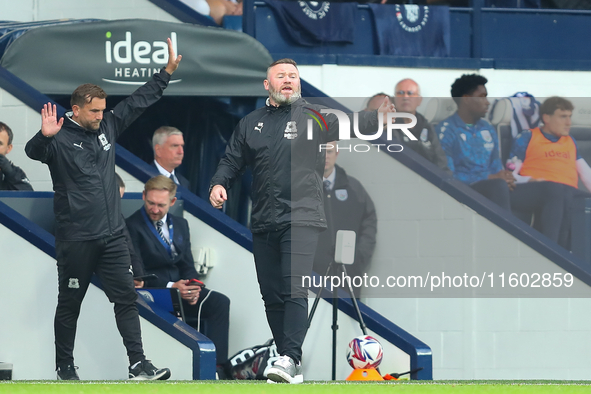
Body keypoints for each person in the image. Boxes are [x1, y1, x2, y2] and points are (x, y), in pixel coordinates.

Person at [209, 58, 393, 384]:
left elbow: (350, 123)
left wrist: (375, 118)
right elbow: (230, 160)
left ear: (299, 83)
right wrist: (219, 184)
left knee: (295, 287)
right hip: (264, 219)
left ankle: (290, 356)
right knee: (271, 294)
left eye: (293, 76)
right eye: (281, 76)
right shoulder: (250, 123)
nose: (288, 80)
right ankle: (288, 361)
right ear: (267, 85)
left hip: (302, 216)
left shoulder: (315, 117)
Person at [24, 37, 181, 381]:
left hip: (111, 235)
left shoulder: (108, 124)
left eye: (102, 110)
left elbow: (138, 102)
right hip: (77, 238)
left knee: (126, 298)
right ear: (76, 109)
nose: (100, 116)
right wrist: (44, 136)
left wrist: (166, 72)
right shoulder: (58, 136)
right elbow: (32, 152)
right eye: (93, 111)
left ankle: (138, 364)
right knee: (70, 304)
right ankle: (65, 367)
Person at [125, 175, 231, 368]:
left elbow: (187, 266)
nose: (155, 209)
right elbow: (139, 275)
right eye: (151, 203)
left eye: (161, 205)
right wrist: (172, 286)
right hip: (155, 292)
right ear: (143, 196)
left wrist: (193, 286)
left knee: (220, 302)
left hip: (181, 290)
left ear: (172, 202)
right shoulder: (132, 226)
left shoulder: (181, 224)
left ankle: (219, 368)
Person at [508, 96, 591, 248]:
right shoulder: (527, 137)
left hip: (568, 192)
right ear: (546, 117)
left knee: (573, 195)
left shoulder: (570, 141)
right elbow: (509, 175)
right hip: (540, 190)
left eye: (570, 117)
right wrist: (529, 180)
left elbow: (586, 175)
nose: (568, 123)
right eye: (563, 117)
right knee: (558, 191)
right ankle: (553, 250)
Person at [437, 74, 513, 210]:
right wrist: (490, 177)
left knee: (554, 190)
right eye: (482, 96)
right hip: (466, 191)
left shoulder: (487, 128)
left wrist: (504, 177)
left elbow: (496, 165)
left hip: (495, 187)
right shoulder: (447, 130)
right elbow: (449, 175)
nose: (487, 102)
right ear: (466, 99)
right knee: (499, 186)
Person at [313, 141, 377, 298]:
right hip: (311, 278)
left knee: (346, 322)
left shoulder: (354, 188)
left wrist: (359, 257)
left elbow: (369, 220)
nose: (325, 156)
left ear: (337, 153)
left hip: (347, 279)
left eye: (329, 151)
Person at [392, 79, 451, 174]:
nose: (405, 97)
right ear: (394, 99)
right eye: (401, 93)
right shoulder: (387, 127)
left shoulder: (427, 127)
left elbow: (441, 164)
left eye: (410, 93)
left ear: (419, 100)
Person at [0, 122, 33, 190]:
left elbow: (29, 197)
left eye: (0, 143)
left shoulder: (15, 173)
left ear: (8, 148)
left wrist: (11, 174)